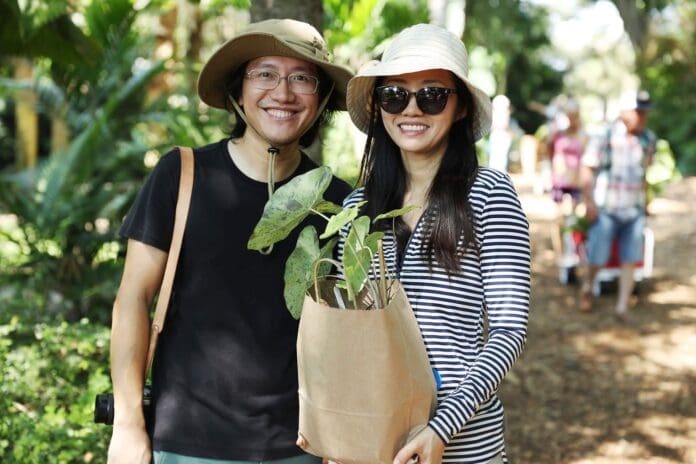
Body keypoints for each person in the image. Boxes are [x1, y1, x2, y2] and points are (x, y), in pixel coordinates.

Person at [106, 19, 353, 464]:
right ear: (239, 91)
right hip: (186, 444)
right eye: (265, 74)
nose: (283, 92)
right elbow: (132, 298)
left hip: (303, 448)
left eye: (302, 78)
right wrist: (127, 424)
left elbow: (352, 332)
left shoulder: (339, 203)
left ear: (322, 101)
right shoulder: (180, 176)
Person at [341, 23, 530, 464]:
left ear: (460, 107)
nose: (412, 109)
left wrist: (441, 429)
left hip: (464, 446)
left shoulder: (489, 194)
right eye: (394, 95)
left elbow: (508, 331)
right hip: (372, 441)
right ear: (379, 105)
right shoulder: (356, 206)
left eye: (432, 95)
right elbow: (346, 330)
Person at [579, 90, 656, 320]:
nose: (643, 117)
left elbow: (644, 173)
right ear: (624, 112)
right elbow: (587, 168)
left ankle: (622, 306)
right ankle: (587, 287)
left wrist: (647, 201)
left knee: (631, 258)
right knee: (598, 257)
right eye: (638, 112)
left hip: (634, 210)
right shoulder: (606, 136)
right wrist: (590, 202)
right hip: (607, 209)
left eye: (645, 113)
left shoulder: (648, 139)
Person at [545, 98, 588, 274]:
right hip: (560, 181)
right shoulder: (557, 133)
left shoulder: (582, 135)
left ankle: (575, 251)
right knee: (559, 219)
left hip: (576, 182)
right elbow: (549, 149)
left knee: (576, 219)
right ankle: (560, 252)